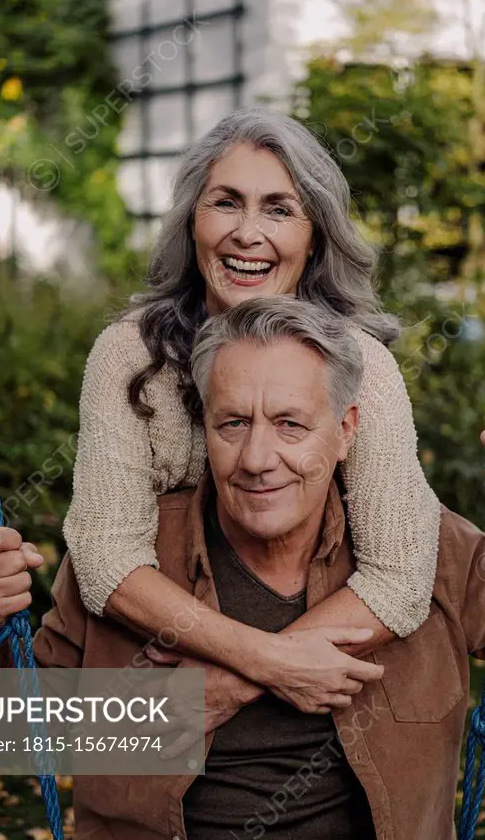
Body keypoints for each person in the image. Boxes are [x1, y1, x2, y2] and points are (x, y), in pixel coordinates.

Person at [0, 298, 485, 840]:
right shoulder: (135, 559)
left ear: (346, 430)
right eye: (233, 423)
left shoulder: (425, 550)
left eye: (292, 425)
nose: (257, 458)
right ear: (203, 428)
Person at [61, 107, 441, 658]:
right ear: (193, 221)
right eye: (225, 202)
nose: (247, 233)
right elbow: (105, 558)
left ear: (315, 236)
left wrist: (235, 685)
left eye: (279, 210)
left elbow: (399, 578)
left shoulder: (363, 367)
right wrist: (264, 661)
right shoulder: (130, 357)